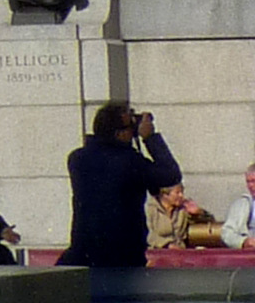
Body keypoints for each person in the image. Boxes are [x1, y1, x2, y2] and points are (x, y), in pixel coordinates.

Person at [61, 99, 183, 269]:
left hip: (84, 250)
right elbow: (171, 175)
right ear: (119, 134)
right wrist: (150, 138)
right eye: (129, 127)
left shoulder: (77, 158)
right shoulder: (130, 162)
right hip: (123, 254)